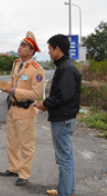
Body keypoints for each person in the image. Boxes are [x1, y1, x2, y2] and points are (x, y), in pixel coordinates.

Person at [0, 31, 45, 186]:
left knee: (26, 145)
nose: (20, 47)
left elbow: (36, 93)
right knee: (12, 142)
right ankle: (14, 167)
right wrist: (4, 85)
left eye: (25, 46)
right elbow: (13, 82)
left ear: (32, 51)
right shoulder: (16, 63)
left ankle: (24, 173)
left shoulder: (37, 69)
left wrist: (14, 91)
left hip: (26, 110)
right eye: (20, 44)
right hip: (13, 109)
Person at [35, 34, 81, 196]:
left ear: (57, 49)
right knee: (65, 157)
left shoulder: (66, 68)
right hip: (64, 118)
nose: (48, 52)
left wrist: (45, 104)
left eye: (49, 49)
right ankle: (67, 190)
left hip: (63, 119)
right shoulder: (64, 65)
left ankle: (65, 193)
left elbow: (64, 95)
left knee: (64, 159)